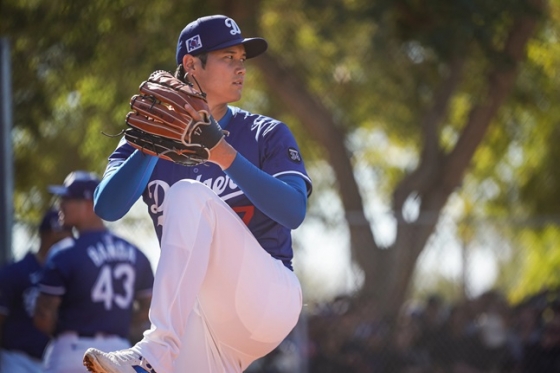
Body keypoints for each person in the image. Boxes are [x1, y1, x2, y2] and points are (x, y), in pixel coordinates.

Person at [83, 14, 312, 373]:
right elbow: (107, 207)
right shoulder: (145, 135)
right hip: (202, 320)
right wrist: (150, 147)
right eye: (228, 58)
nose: (241, 68)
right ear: (191, 64)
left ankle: (153, 352)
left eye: (242, 59)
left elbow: (294, 211)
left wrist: (225, 156)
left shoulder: (265, 132)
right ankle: (154, 357)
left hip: (269, 298)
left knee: (188, 195)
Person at [33, 171, 154, 372]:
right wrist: (119, 325)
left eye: (68, 199)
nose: (60, 205)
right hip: (118, 352)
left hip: (71, 351)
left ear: (90, 205)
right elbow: (150, 309)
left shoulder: (65, 251)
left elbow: (42, 318)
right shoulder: (135, 253)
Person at [0, 208, 73, 373]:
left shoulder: (68, 274)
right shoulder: (16, 272)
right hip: (17, 360)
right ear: (47, 235)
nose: (68, 238)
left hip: (55, 359)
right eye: (62, 232)